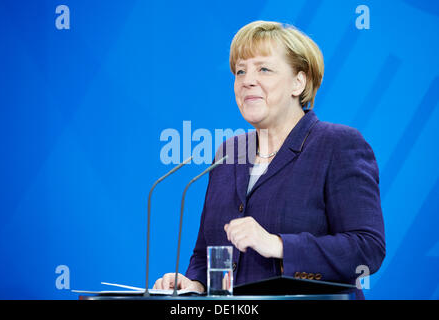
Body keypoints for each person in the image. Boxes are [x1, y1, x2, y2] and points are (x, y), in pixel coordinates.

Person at [153, 20, 385, 299]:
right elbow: (205, 254)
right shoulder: (228, 154)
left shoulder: (337, 144)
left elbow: (367, 248)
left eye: (263, 68)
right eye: (240, 71)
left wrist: (278, 245)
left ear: (299, 82)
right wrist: (195, 284)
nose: (247, 80)